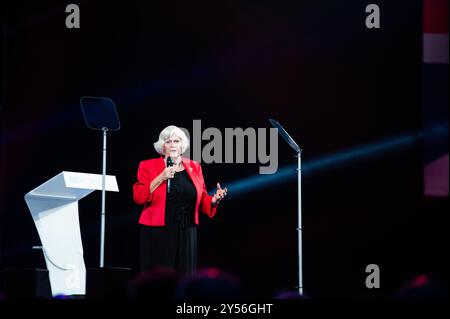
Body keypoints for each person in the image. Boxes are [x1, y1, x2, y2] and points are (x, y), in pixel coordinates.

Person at [133, 125, 227, 276]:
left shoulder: (194, 167)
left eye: (176, 141)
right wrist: (161, 177)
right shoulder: (147, 166)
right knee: (159, 278)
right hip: (158, 231)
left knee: (184, 277)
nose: (172, 145)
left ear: (182, 145)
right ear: (162, 147)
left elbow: (201, 198)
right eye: (168, 141)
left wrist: (214, 200)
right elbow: (138, 197)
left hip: (186, 230)